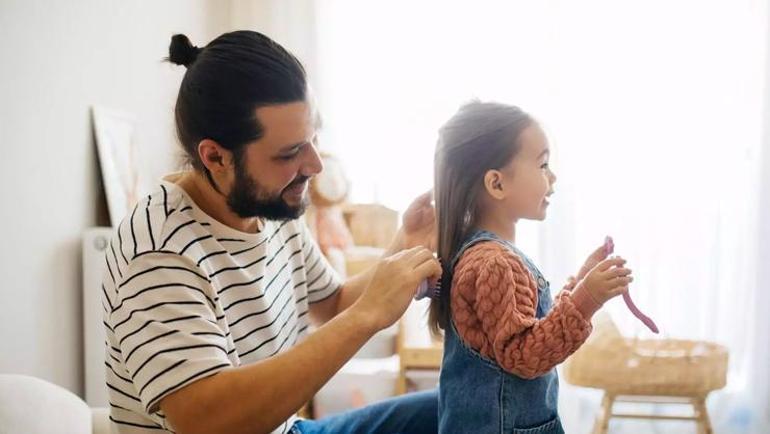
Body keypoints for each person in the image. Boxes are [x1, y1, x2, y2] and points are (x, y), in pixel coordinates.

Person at [101, 30, 441, 434]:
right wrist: (369, 316)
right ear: (216, 156)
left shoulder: (273, 205)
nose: (315, 165)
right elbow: (206, 423)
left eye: (313, 139)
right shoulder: (158, 253)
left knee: (458, 405)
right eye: (289, 153)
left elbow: (331, 304)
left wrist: (404, 243)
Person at [429, 101, 634, 433]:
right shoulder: (495, 264)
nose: (552, 177)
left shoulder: (486, 256)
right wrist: (587, 299)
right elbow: (525, 355)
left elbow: (533, 328)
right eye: (543, 165)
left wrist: (581, 281)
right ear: (497, 184)